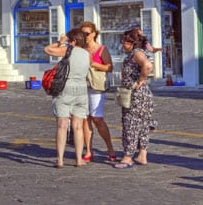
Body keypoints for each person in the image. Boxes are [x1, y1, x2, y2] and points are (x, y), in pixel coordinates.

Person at [44, 28, 90, 168]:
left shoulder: (68, 50)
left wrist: (60, 42)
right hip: (82, 89)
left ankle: (60, 160)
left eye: (70, 40)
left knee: (62, 125)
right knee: (78, 126)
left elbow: (47, 49)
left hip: (66, 88)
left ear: (74, 41)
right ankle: (79, 159)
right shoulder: (87, 54)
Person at [114, 29, 155, 169]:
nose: (122, 44)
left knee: (130, 124)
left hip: (135, 95)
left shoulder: (136, 53)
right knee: (143, 125)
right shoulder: (139, 53)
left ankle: (127, 157)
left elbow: (148, 66)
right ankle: (142, 154)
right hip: (143, 95)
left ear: (132, 43)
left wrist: (140, 80)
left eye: (124, 42)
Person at [79, 21, 117, 162]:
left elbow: (109, 67)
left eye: (87, 33)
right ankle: (89, 150)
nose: (85, 36)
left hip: (96, 86)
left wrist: (93, 63)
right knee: (85, 118)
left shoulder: (101, 49)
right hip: (82, 85)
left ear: (94, 34)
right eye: (82, 33)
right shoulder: (80, 48)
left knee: (97, 118)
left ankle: (110, 147)